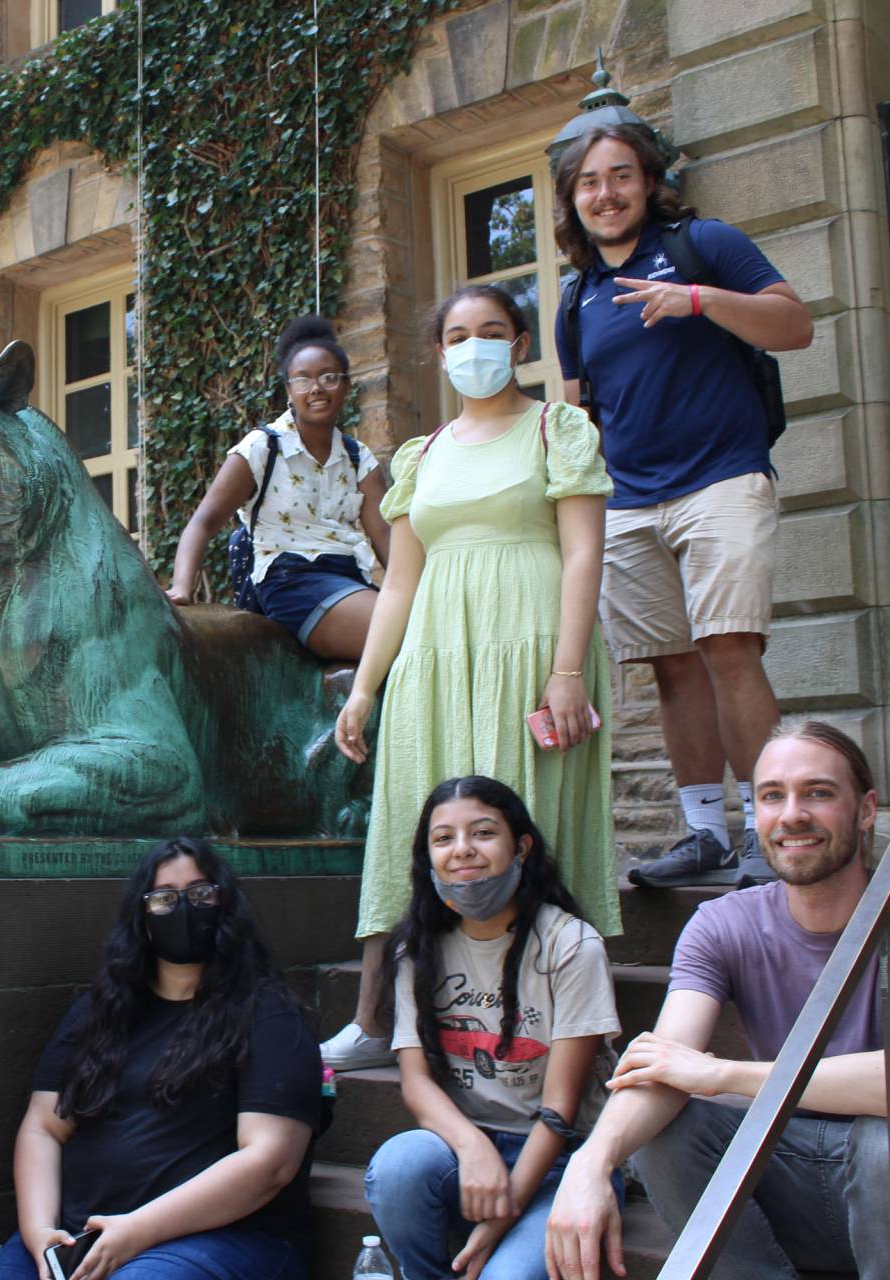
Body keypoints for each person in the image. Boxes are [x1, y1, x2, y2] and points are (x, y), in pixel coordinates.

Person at [544, 721, 890, 1280]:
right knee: (662, 1131)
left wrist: (726, 1075)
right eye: (771, 796)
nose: (791, 815)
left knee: (888, 1137)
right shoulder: (721, 924)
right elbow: (662, 1065)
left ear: (865, 810)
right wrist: (590, 1164)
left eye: (818, 793)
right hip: (799, 1180)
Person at [322, 284, 618, 1073]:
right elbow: (399, 584)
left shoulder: (559, 431)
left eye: (492, 331)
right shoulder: (420, 457)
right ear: (441, 350)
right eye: (457, 335)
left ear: (520, 344)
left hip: (531, 651)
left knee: (532, 823)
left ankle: (561, 1016)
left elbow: (585, 551)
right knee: (411, 825)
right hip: (434, 657)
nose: (474, 347)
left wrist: (566, 671)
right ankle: (377, 1016)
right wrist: (364, 687)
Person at [552, 122, 814, 888]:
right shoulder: (576, 302)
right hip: (629, 502)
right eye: (590, 181)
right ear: (573, 198)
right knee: (671, 669)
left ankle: (772, 834)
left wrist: (698, 299)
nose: (607, 193)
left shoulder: (706, 243)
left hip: (722, 479)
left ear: (647, 181)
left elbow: (794, 326)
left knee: (730, 648)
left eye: (621, 175)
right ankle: (705, 833)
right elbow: (578, 420)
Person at [0, 836, 320, 1280]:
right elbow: (44, 1126)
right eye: (163, 899)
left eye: (201, 894)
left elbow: (270, 1162)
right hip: (80, 1235)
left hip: (218, 1238)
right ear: (141, 920)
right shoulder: (98, 1012)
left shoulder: (269, 1016)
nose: (184, 909)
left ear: (227, 907)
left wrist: (137, 1231)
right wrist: (40, 1233)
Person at [364, 776, 622, 1280]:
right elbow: (416, 1083)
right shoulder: (416, 951)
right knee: (399, 1165)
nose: (462, 851)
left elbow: (560, 1108)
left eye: (482, 833)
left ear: (521, 846)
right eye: (443, 839)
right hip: (463, 1152)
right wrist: (471, 1146)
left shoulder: (570, 945)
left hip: (559, 1163)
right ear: (427, 856)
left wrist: (503, 1216)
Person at [167, 315, 390, 661]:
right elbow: (204, 520)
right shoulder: (262, 447)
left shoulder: (358, 458)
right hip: (290, 583)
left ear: (346, 386)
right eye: (302, 379)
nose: (316, 388)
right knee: (399, 631)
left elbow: (386, 538)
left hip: (350, 580)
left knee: (424, 626)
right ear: (288, 390)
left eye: (329, 377)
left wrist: (419, 592)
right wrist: (183, 586)